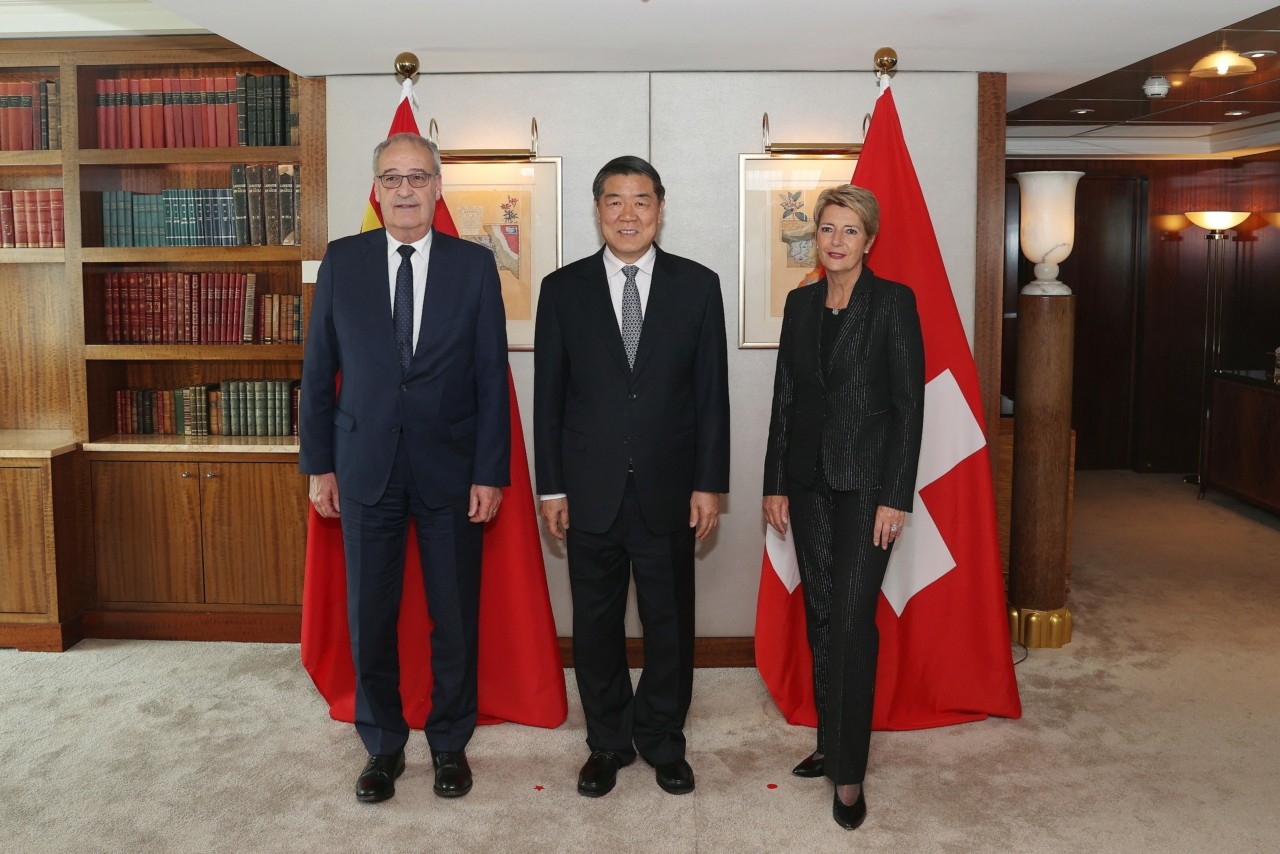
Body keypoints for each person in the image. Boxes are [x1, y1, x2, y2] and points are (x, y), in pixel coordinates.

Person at [299, 132, 510, 804]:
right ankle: (383, 745)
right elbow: (317, 371)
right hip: (364, 468)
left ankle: (449, 743)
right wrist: (319, 465)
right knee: (371, 616)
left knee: (454, 617)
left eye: (418, 177)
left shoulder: (473, 266)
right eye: (392, 178)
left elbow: (490, 377)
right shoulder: (343, 261)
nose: (406, 190)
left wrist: (489, 472)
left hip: (451, 470)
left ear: (437, 187)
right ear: (377, 190)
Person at [533, 155, 730, 798]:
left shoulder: (698, 286)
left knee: (669, 624)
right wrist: (551, 487)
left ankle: (664, 740)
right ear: (597, 210)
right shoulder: (561, 289)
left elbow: (712, 396)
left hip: (669, 490)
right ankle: (608, 743)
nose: (628, 214)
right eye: (614, 201)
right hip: (588, 491)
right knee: (595, 628)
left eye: (640, 200)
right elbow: (548, 399)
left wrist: (709, 484)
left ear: (660, 209)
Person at [762, 184, 924, 830]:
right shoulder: (800, 304)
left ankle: (850, 774)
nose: (836, 241)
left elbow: (909, 408)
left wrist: (895, 496)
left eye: (849, 230)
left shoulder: (893, 303)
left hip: (867, 490)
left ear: (869, 240)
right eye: (827, 229)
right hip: (807, 486)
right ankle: (830, 742)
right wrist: (775, 483)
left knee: (854, 622)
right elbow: (785, 399)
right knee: (823, 616)